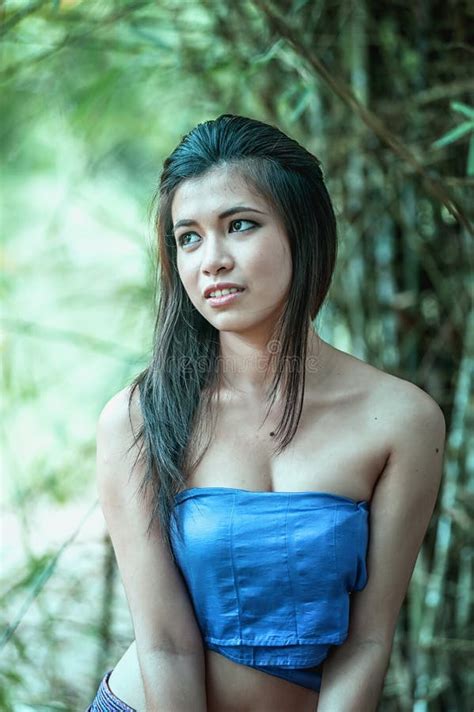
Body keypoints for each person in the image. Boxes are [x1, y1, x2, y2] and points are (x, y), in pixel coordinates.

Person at [87, 114, 446, 712]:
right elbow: (166, 644)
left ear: (303, 233)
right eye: (189, 237)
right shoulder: (141, 416)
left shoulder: (402, 420)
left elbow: (367, 639)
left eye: (241, 225)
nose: (212, 261)